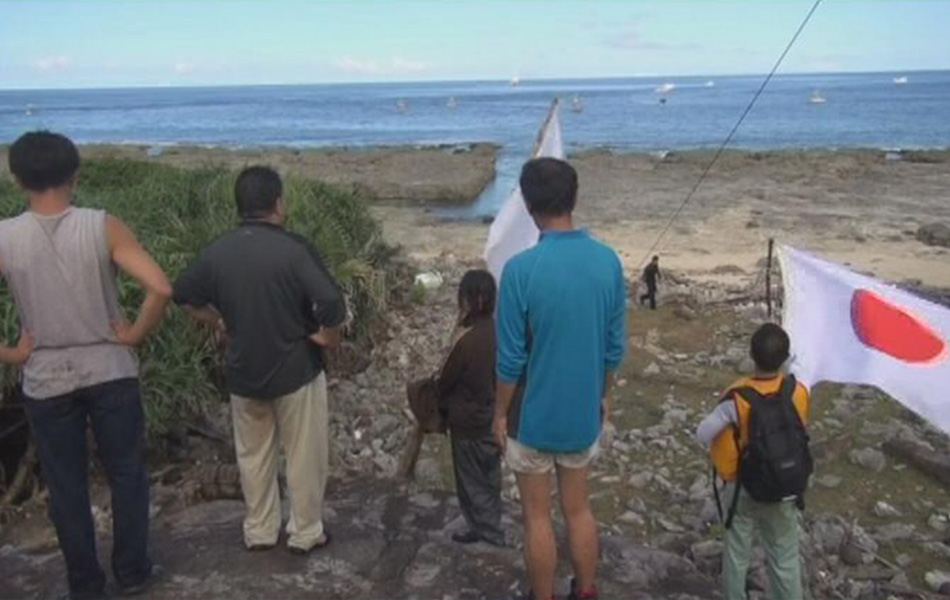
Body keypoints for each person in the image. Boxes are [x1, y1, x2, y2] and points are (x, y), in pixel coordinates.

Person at [0, 131, 171, 599]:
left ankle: (85, 584)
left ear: (17, 179)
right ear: (75, 174)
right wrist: (133, 334)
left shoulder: (5, 236)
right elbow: (160, 287)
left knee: (66, 486)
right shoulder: (102, 225)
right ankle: (133, 571)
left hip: (45, 378)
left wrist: (13, 353)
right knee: (126, 473)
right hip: (110, 368)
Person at [173, 166, 345, 555]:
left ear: (240, 206)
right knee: (304, 455)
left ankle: (260, 530)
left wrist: (218, 320)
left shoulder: (218, 251)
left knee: (253, 455)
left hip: (243, 371)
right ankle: (304, 532)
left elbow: (182, 294)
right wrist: (328, 337)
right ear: (278, 204)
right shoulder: (294, 249)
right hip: (295, 368)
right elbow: (332, 302)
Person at [493, 158, 627, 600]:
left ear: (529, 205)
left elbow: (510, 359)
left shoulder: (519, 271)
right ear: (574, 198)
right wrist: (603, 395)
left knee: (536, 516)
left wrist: (498, 412)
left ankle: (543, 594)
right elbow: (613, 348)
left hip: (531, 418)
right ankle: (586, 589)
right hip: (581, 413)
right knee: (579, 508)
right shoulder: (607, 262)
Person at [696, 323, 811, 600]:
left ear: (751, 355)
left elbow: (702, 434)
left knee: (736, 555)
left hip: (742, 489)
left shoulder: (737, 398)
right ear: (785, 358)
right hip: (785, 486)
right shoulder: (797, 391)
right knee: (785, 556)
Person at [438, 269, 504, 547]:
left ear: (468, 300)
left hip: (467, 421)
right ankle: (492, 524)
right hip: (493, 417)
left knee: (469, 480)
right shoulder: (499, 331)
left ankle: (485, 531)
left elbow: (445, 381)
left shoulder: (467, 341)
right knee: (490, 476)